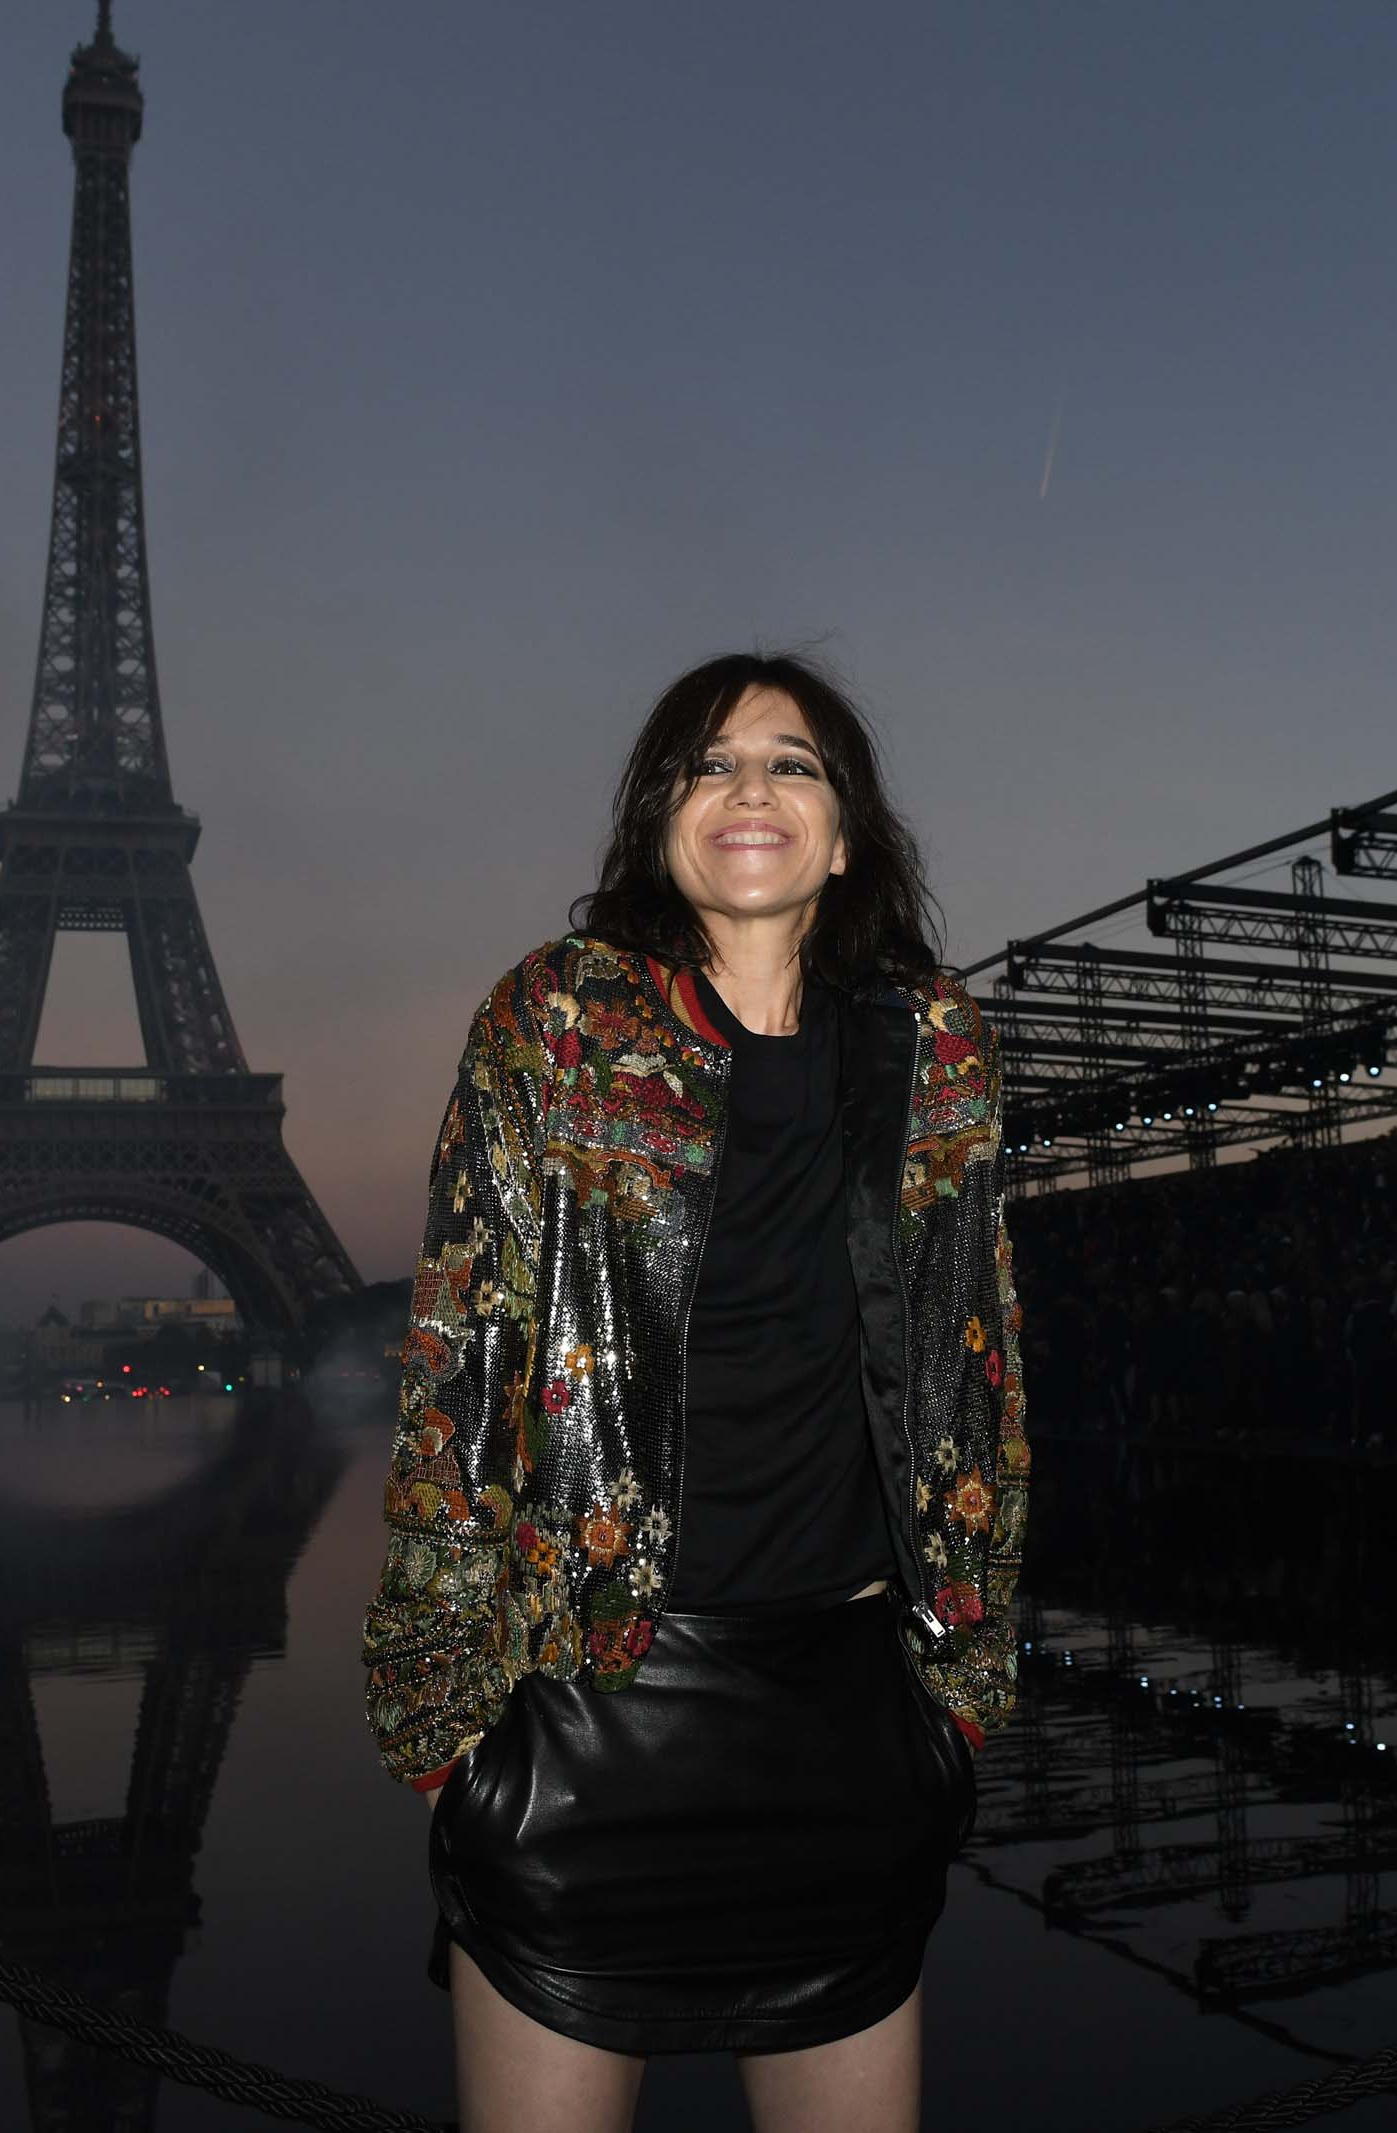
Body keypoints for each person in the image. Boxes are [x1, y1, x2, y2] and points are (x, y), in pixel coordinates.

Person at [361, 652, 1026, 2133]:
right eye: (711, 762)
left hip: (851, 1733)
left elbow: (980, 1374)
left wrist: (959, 1700)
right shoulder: (553, 1022)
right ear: (661, 816)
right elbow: (458, 1363)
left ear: (845, 834)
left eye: (794, 763)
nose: (752, 788)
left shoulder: (939, 1052)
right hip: (588, 1728)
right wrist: (449, 1732)